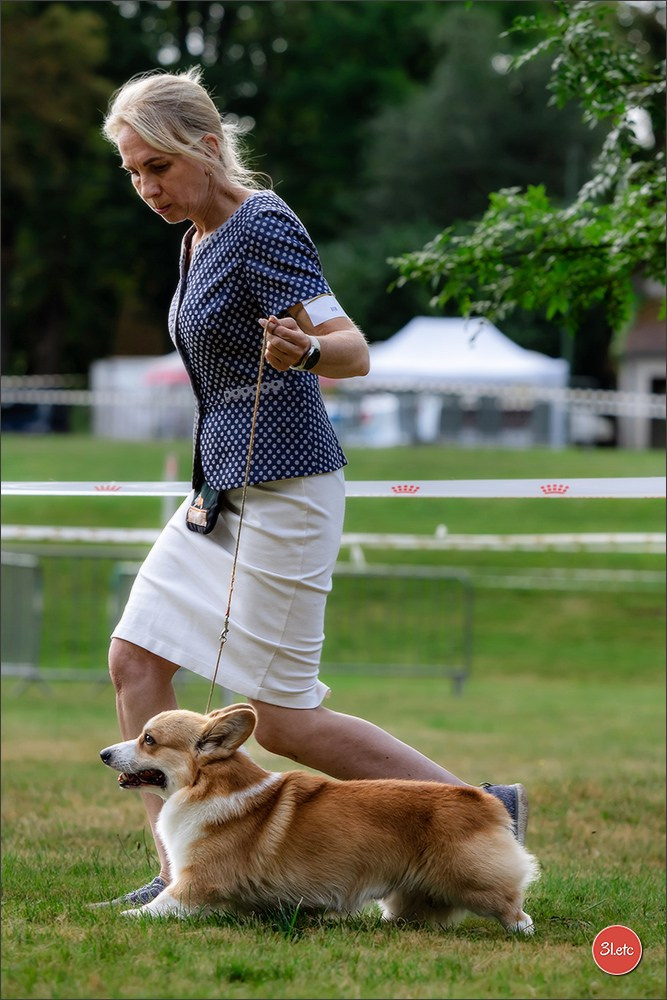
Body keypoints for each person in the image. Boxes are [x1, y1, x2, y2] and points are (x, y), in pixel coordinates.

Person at [94, 67, 527, 908]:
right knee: (134, 660)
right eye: (133, 172)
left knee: (283, 718)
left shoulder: (262, 225)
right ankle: (180, 870)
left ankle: (484, 813)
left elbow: (352, 349)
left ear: (208, 149)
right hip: (218, 490)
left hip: (287, 488)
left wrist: (306, 353)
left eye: (159, 168)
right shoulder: (194, 235)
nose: (147, 188)